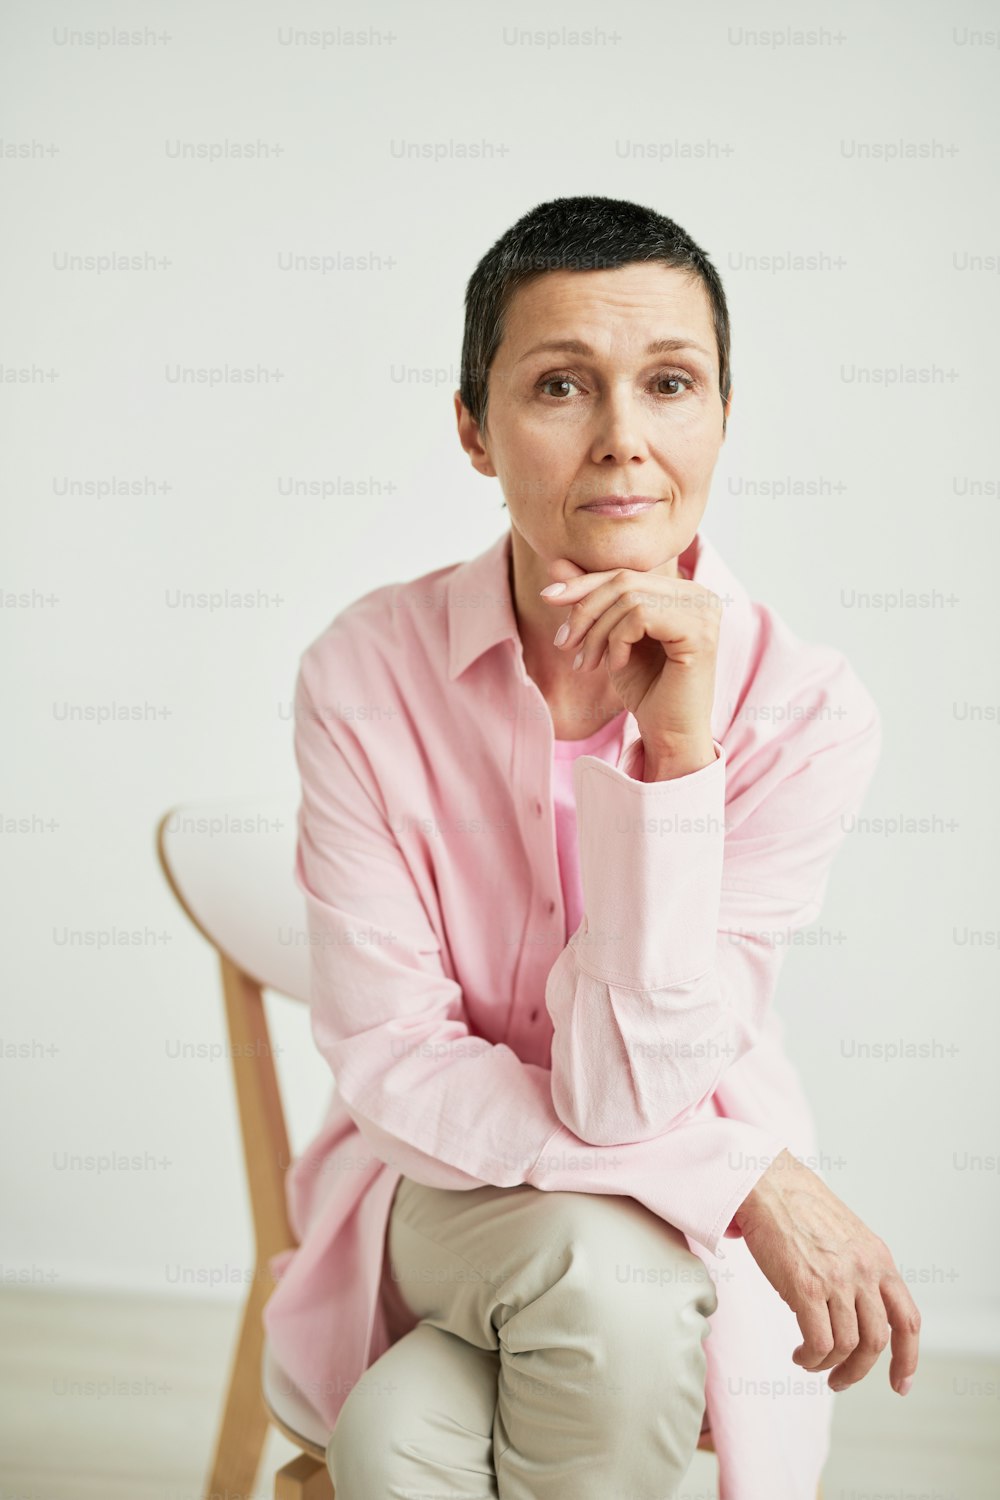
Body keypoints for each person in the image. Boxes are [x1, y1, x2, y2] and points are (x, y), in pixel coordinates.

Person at [263, 195, 921, 1499]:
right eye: (562, 385)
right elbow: (399, 1059)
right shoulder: (364, 674)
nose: (625, 442)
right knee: (607, 1286)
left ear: (724, 414)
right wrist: (746, 1178)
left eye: (670, 383)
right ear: (473, 426)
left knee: (400, 1447)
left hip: (665, 1209)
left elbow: (629, 1089)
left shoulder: (801, 711)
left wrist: (677, 765)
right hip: (437, 1183)